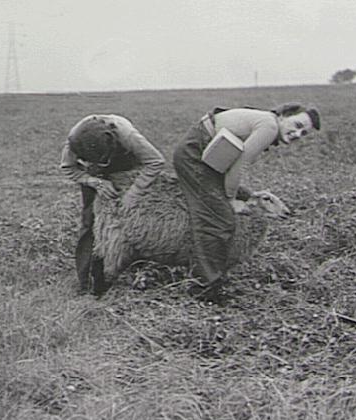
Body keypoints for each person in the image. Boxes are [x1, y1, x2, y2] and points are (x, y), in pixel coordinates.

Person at [172, 103, 320, 301]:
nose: (297, 133)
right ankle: (205, 287)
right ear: (284, 116)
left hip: (208, 156)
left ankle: (213, 273)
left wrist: (237, 194)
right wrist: (230, 199)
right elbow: (239, 164)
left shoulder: (268, 121)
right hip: (195, 155)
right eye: (297, 124)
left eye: (303, 133)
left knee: (227, 202)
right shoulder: (270, 126)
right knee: (220, 219)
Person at [61, 114, 165, 293]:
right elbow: (68, 168)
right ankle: (88, 281)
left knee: (138, 220)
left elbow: (155, 161)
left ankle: (140, 272)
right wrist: (94, 181)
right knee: (92, 223)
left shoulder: (127, 135)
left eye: (104, 160)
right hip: (92, 173)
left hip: (127, 165)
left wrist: (134, 193)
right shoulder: (74, 141)